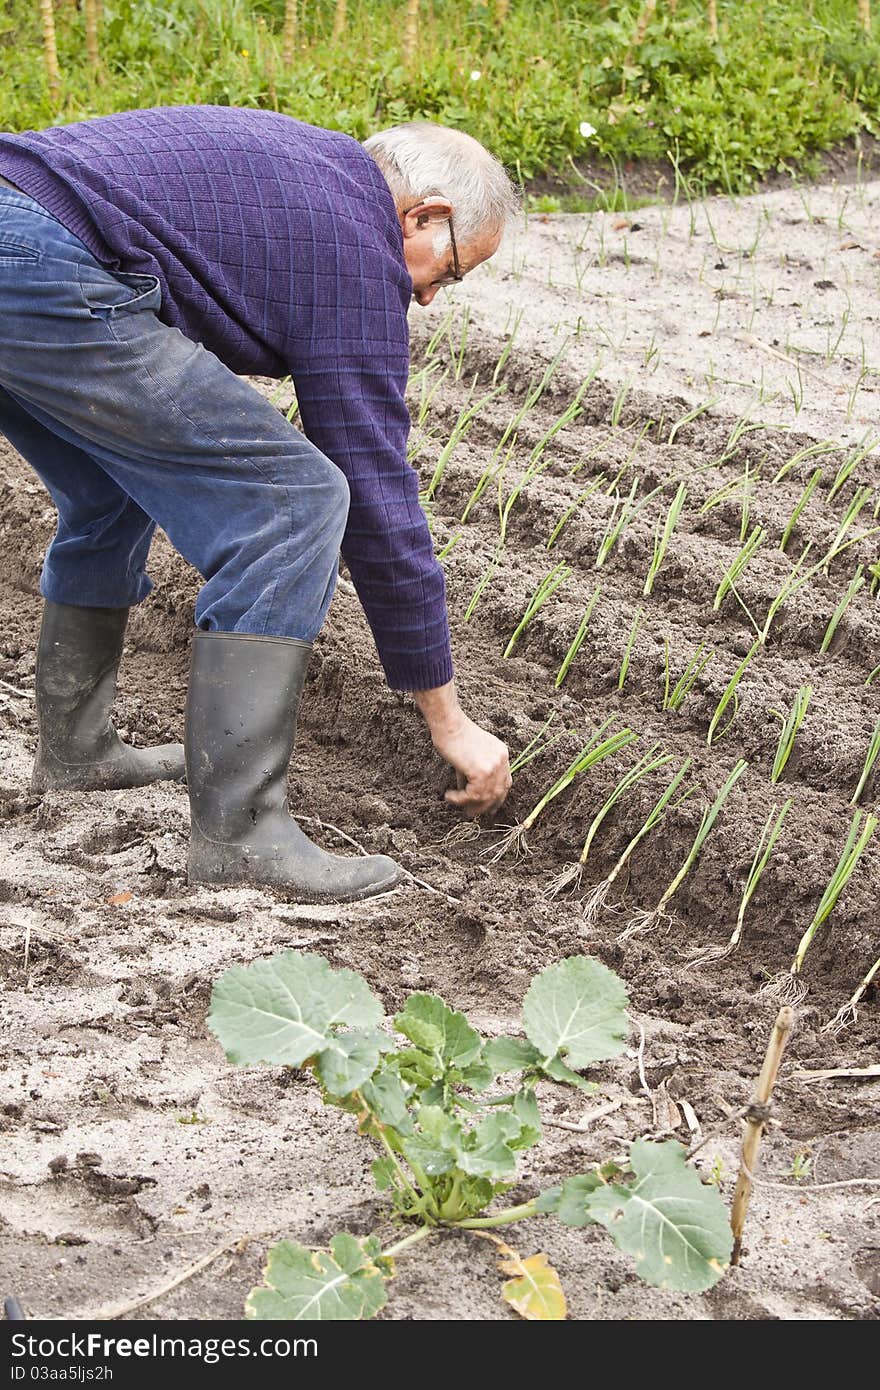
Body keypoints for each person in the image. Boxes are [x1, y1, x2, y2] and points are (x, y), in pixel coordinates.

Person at [0, 106, 516, 903]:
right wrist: (447, 716)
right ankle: (241, 831)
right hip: (38, 263)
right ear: (425, 216)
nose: (429, 299)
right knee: (296, 500)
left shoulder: (313, 173)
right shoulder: (355, 243)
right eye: (446, 272)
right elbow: (375, 492)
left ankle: (78, 752)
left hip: (20, 235)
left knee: (109, 489)